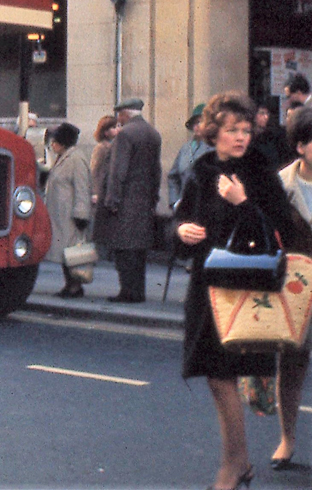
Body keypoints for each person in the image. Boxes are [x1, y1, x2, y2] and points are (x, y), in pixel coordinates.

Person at [175, 92, 297, 490]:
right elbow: (181, 219)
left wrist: (243, 203)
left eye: (246, 130)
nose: (241, 137)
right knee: (216, 376)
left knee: (225, 372)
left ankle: (234, 465)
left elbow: (281, 232)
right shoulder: (201, 170)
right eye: (232, 130)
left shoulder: (260, 172)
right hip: (208, 287)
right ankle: (237, 462)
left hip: (247, 286)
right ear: (214, 133)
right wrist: (181, 230)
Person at [272, 106, 312, 472]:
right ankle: (287, 439)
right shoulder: (281, 185)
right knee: (292, 363)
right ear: (300, 146)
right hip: (296, 287)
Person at [97, 97, 162, 303]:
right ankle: (138, 291)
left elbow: (118, 170)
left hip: (125, 201)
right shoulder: (153, 133)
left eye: (120, 115)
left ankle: (128, 291)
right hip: (144, 201)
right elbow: (157, 170)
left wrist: (112, 200)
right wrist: (154, 197)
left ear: (125, 114)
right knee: (139, 250)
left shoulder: (125, 134)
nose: (119, 119)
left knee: (124, 249)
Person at [43, 122, 92, 298]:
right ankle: (70, 284)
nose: (52, 145)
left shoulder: (76, 159)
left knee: (73, 252)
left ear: (62, 142)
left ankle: (75, 286)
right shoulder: (63, 157)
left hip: (71, 214)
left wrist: (81, 214)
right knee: (65, 251)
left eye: (54, 142)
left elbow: (82, 187)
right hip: (61, 214)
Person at [167, 103, 213, 212]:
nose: (198, 126)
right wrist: (175, 202)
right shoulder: (185, 149)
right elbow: (173, 177)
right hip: (184, 210)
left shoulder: (215, 148)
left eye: (201, 121)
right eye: (195, 123)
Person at [90, 115, 119, 221]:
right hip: (101, 191)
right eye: (114, 127)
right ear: (106, 132)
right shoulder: (101, 148)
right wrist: (95, 192)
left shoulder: (116, 145)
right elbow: (94, 170)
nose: (118, 129)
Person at [251, 100, 290, 168]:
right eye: (262, 113)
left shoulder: (272, 136)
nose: (266, 117)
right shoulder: (249, 137)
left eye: (267, 113)